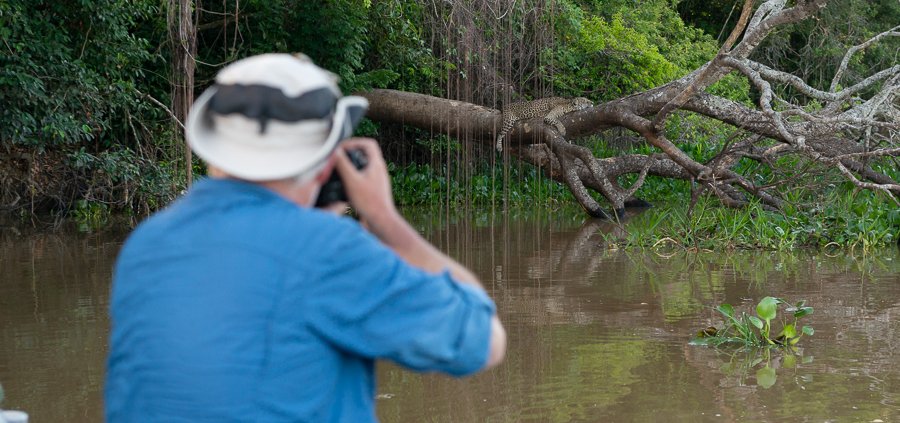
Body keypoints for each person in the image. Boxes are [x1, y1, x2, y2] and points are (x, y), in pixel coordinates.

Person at [105, 53, 506, 422]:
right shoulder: (328, 249)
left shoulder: (147, 244)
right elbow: (484, 341)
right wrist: (384, 219)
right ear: (325, 163)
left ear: (214, 149)